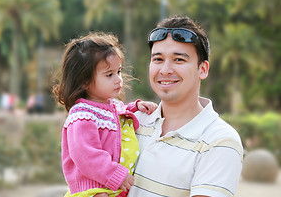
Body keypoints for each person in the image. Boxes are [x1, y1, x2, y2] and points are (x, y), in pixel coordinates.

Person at [127, 16, 243, 197]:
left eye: (179, 60)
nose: (165, 70)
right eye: (158, 59)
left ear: (203, 69)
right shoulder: (133, 121)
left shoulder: (220, 141)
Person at [53, 32, 157, 197]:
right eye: (109, 74)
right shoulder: (82, 116)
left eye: (119, 71)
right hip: (94, 189)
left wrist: (135, 107)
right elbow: (85, 154)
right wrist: (114, 174)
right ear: (84, 81)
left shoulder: (110, 106)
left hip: (112, 186)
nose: (118, 79)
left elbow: (118, 116)